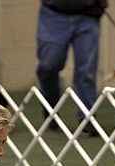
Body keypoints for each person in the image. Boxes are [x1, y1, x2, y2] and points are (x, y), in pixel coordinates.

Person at [36, 0, 108, 136]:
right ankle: (50, 108)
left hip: (87, 16)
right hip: (53, 14)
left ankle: (87, 118)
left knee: (86, 71)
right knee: (48, 66)